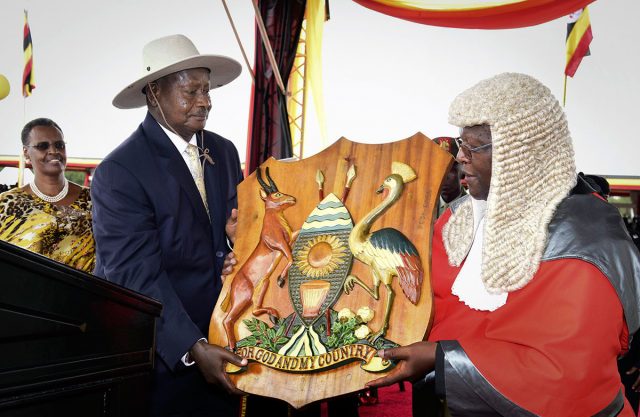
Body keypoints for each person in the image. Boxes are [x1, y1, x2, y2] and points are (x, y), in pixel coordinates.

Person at [367, 73, 640, 416]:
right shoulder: (456, 220)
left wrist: (440, 358)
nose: (460, 157)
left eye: (472, 146)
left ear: (519, 151)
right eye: (459, 143)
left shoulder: (585, 240)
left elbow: (566, 376)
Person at [91, 34, 247, 417]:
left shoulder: (224, 151)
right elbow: (134, 273)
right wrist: (193, 347)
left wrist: (234, 249)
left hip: (227, 340)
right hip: (162, 357)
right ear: (153, 92)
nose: (206, 101)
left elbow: (230, 233)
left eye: (208, 90)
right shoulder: (120, 171)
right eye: (192, 90)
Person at [0, 118, 94, 272]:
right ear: (26, 153)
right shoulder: (5, 204)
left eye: (59, 145)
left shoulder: (94, 199)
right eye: (42, 146)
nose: (53, 151)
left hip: (87, 294)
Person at [432, 136, 465, 219]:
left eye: (449, 168)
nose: (442, 176)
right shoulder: (422, 207)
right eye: (436, 168)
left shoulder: (473, 207)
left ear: (463, 169)